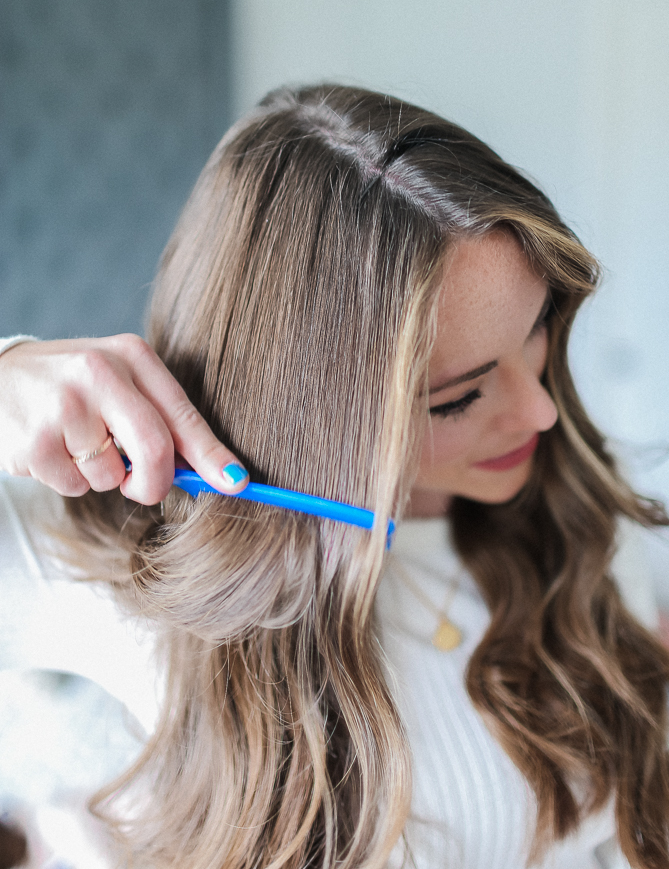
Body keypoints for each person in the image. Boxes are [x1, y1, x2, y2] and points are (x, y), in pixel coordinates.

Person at [0, 84, 667, 869]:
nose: (540, 413)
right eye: (456, 397)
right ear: (304, 405)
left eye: (539, 332)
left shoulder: (584, 502)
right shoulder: (121, 559)